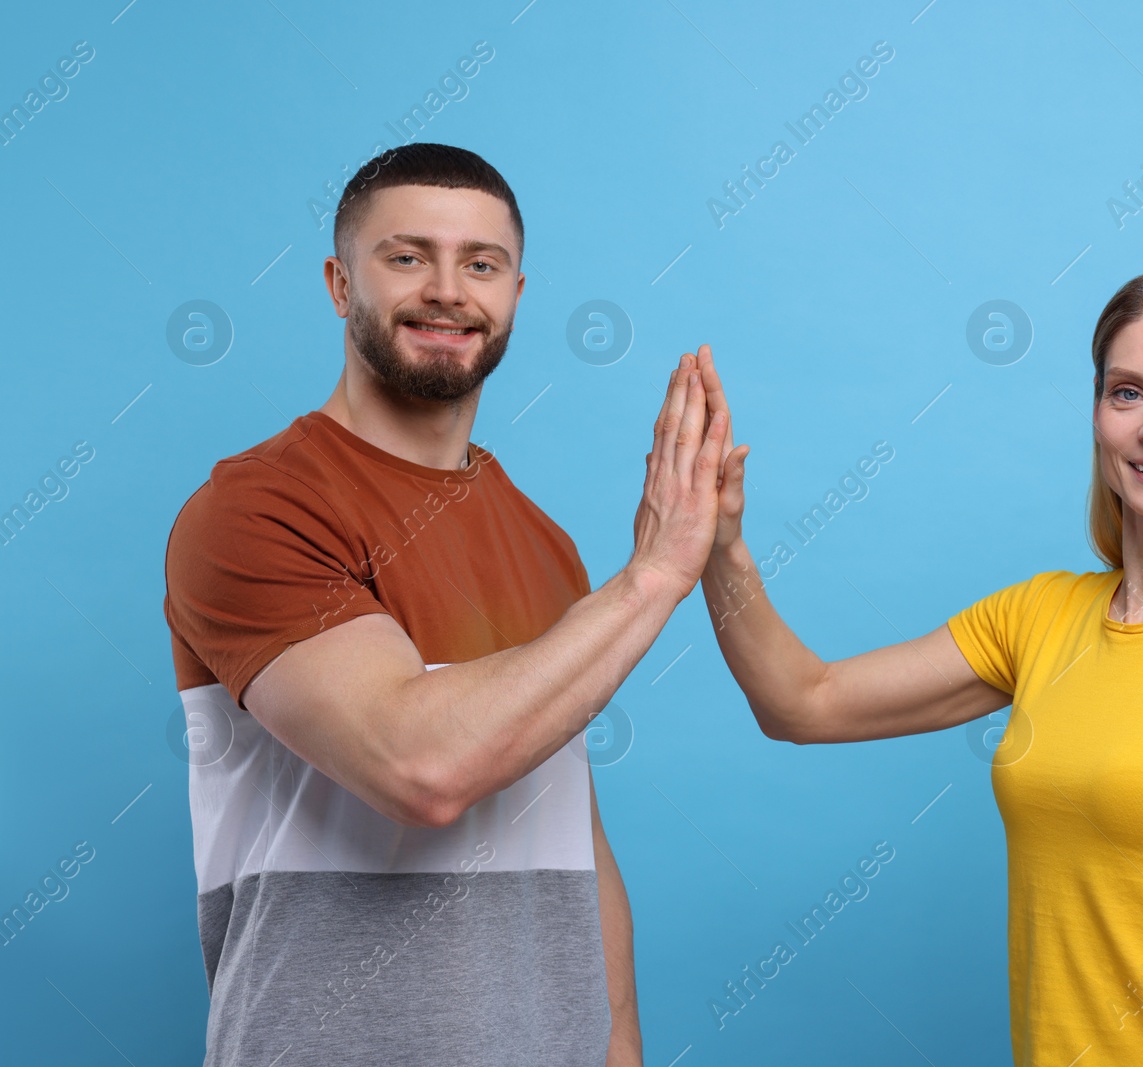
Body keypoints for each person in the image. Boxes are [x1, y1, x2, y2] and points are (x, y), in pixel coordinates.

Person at [694, 258, 1143, 1065]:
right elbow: (804, 701)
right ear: (1097, 412)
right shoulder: (1041, 615)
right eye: (1128, 392)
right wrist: (718, 544)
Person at [162, 142, 728, 1065]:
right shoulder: (256, 507)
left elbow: (572, 826)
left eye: (481, 264)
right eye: (406, 256)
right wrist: (655, 576)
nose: (447, 291)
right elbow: (421, 767)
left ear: (514, 292)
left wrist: (618, 1043)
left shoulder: (545, 544)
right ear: (340, 283)